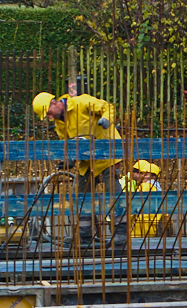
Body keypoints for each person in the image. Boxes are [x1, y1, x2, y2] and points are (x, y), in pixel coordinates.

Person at [34, 89, 122, 244]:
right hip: (86, 163)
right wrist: (69, 160)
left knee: (113, 196)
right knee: (81, 197)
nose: (49, 117)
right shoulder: (59, 124)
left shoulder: (81, 103)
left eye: (48, 113)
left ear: (54, 103)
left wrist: (106, 120)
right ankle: (85, 236)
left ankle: (120, 234)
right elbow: (67, 145)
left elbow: (107, 107)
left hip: (106, 156)